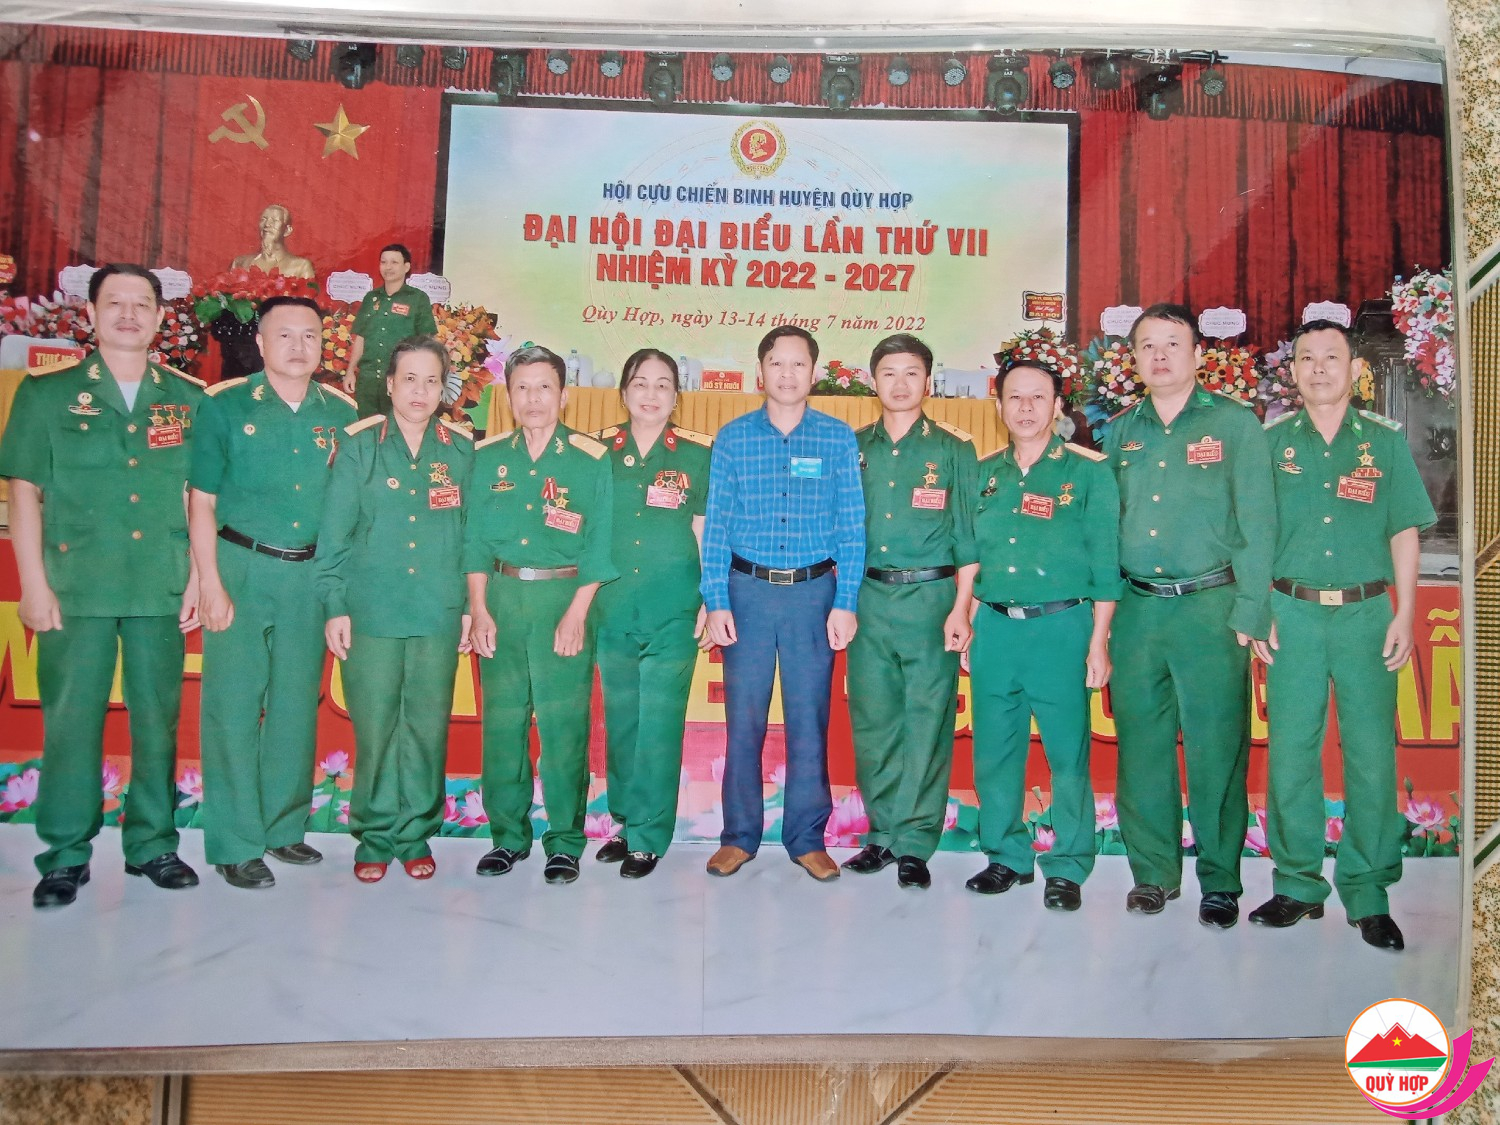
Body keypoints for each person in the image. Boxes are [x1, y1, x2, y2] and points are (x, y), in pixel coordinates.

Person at [0, 264, 206, 908]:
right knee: (71, 721)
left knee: (158, 721)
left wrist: (200, 575)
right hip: (76, 586)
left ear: (160, 318)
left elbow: (199, 496)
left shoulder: (188, 399)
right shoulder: (46, 395)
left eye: (141, 304)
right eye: (114, 302)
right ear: (89, 314)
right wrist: (34, 584)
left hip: (157, 585)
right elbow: (24, 492)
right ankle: (64, 854)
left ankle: (152, 845)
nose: (128, 314)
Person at [1249, 320, 1435, 951]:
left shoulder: (1383, 442)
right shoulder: (1270, 443)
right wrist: (1259, 608)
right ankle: (1297, 886)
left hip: (1366, 615)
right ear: (1293, 371)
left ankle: (1368, 891)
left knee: (1371, 755)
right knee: (1292, 754)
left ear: (1356, 369)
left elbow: (1404, 530)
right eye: (1307, 358)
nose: (1319, 368)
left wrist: (1404, 613)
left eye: (1332, 357)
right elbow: (1254, 535)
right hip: (1292, 613)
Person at [1104, 302, 1276, 928]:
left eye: (1172, 344)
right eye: (1147, 345)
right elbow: (1106, 527)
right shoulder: (1120, 431)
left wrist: (1252, 606)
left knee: (1216, 749)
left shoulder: (1234, 424)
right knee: (1142, 748)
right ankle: (1153, 875)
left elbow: (1259, 519)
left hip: (1211, 609)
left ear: (1199, 354)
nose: (1159, 355)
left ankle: (1221, 880)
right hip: (1138, 611)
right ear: (1133, 358)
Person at [189, 295, 358, 889]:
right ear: (260, 343)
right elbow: (201, 501)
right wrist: (208, 581)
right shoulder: (226, 405)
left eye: (310, 335)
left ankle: (283, 827)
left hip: (308, 577)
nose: (298, 346)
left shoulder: (342, 413)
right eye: (284, 335)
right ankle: (235, 843)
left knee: (293, 706)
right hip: (241, 567)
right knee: (233, 707)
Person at [700, 325, 865, 882]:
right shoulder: (733, 439)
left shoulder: (838, 439)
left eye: (798, 364)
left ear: (814, 373)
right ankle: (738, 837)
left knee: (809, 721)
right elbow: (717, 526)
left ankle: (807, 839)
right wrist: (716, 599)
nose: (787, 374)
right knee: (743, 721)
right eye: (777, 363)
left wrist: (845, 600)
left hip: (813, 595)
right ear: (760, 371)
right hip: (746, 592)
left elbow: (852, 528)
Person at [315, 336, 473, 883]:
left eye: (432, 381)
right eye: (410, 379)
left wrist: (470, 607)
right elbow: (334, 536)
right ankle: (376, 834)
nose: (420, 391)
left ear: (444, 389)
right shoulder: (359, 446)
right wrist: (335, 605)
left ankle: (416, 834)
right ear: (389, 384)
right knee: (376, 725)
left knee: (427, 726)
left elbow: (470, 537)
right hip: (372, 610)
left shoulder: (461, 452)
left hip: (437, 611)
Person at [966, 359, 1120, 910]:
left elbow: (1106, 563)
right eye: (1014, 397)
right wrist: (967, 618)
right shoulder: (982, 474)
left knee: (1067, 754)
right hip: (994, 628)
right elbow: (970, 555)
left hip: (1062, 628)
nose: (1026, 408)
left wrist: (1098, 640)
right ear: (999, 406)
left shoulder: (1088, 473)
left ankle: (1068, 864)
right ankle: (1006, 855)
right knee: (994, 751)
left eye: (1038, 397)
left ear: (1057, 406)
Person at [464, 345, 616, 886]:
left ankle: (565, 842)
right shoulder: (487, 458)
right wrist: (478, 608)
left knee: (563, 728)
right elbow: (473, 540)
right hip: (502, 601)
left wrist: (577, 612)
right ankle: (507, 837)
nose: (533, 398)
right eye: (523, 388)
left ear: (564, 396)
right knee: (503, 726)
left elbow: (601, 543)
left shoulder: (589, 459)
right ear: (508, 397)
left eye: (544, 387)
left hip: (563, 601)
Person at [843, 334, 978, 890]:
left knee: (927, 720)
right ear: (872, 381)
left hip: (931, 599)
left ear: (928, 380)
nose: (900, 384)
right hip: (867, 598)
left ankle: (916, 842)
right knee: (874, 719)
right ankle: (881, 834)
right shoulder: (853, 447)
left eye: (912, 373)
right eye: (889, 373)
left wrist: (962, 609)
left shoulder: (952, 450)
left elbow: (968, 537)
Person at [592, 350, 713, 879]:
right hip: (612, 605)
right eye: (640, 383)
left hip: (674, 608)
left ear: (676, 397)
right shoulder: (596, 452)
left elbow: (706, 532)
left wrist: (711, 598)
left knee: (660, 722)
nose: (651, 394)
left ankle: (648, 835)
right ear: (623, 392)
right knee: (622, 720)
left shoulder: (696, 455)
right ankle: (624, 820)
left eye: (663, 385)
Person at [345, 245, 440, 418]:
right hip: (368, 379)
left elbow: (427, 341)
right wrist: (350, 370)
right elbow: (361, 337)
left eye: (394, 262)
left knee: (398, 424)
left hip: (401, 379)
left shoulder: (418, 298)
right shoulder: (371, 298)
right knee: (365, 425)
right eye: (384, 262)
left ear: (406, 267)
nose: (388, 267)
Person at [231, 203, 315, 279]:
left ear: (287, 230)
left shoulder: (301, 266)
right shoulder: (240, 263)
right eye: (263, 219)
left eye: (275, 220)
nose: (267, 224)